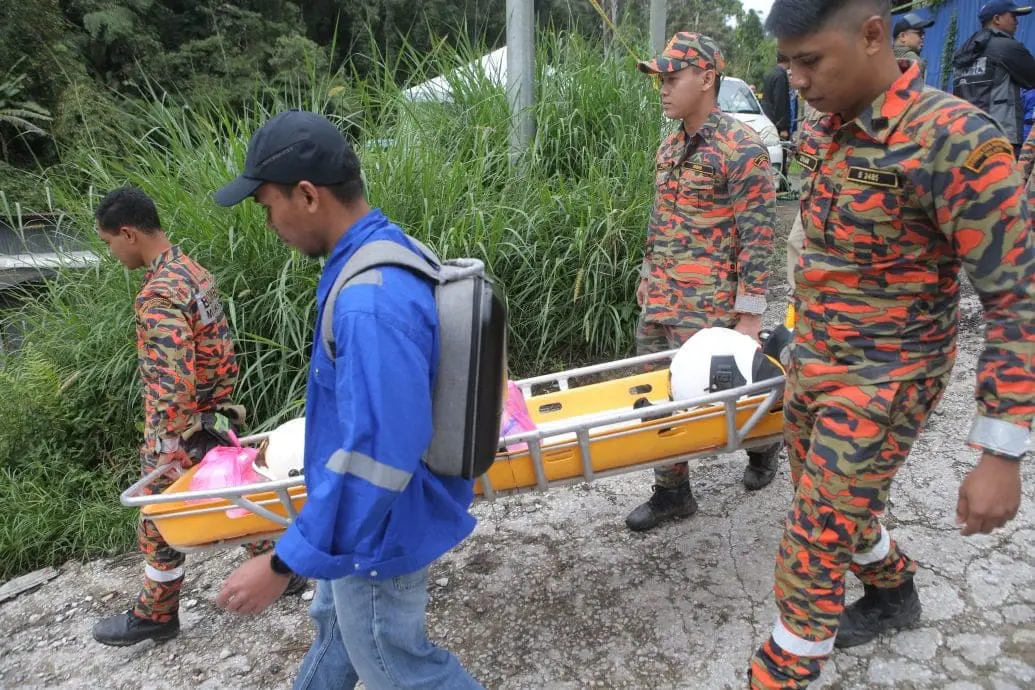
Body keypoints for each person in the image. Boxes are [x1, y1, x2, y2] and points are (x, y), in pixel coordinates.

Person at [750, 1, 1035, 688]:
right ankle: (892, 591)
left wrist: (1001, 451)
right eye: (786, 64)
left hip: (889, 376)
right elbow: (828, 256)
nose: (795, 80)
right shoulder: (828, 129)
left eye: (808, 60)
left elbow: (1014, 300)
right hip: (816, 359)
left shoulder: (953, 139)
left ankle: (782, 669)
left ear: (872, 34)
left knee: (812, 543)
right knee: (835, 509)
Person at [211, 111, 483, 690]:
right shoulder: (386, 249)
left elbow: (379, 456)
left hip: (375, 531)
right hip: (360, 522)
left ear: (307, 195)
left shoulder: (368, 300)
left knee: (399, 668)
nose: (269, 223)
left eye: (266, 206)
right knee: (337, 628)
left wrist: (284, 563)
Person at [90, 187, 305, 647]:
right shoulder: (195, 274)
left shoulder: (159, 294)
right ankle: (283, 567)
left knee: (155, 517)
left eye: (110, 243)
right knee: (239, 495)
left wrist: (170, 444)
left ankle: (156, 614)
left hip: (185, 429)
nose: (112, 253)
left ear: (128, 233)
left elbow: (172, 380)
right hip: (218, 417)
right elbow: (222, 350)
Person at [627, 32, 781, 534]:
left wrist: (750, 315)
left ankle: (764, 443)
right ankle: (673, 491)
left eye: (673, 79)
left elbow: (759, 237)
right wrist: (648, 274)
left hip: (710, 307)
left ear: (706, 78)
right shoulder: (670, 145)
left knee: (729, 396)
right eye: (662, 81)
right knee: (659, 392)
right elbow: (660, 217)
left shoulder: (741, 148)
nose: (664, 90)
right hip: (663, 298)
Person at [952, 0, 1035, 155]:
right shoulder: (1007, 47)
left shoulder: (963, 51)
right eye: (1013, 16)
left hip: (964, 137)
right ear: (996, 19)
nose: (1017, 21)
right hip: (999, 138)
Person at [892, 11, 935, 79]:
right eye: (919, 33)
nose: (923, 37)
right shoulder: (914, 61)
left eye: (923, 34)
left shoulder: (886, 58)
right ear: (903, 36)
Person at [763, 55, 793, 139]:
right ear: (789, 60)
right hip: (776, 123)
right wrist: (783, 127)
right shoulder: (780, 76)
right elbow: (780, 102)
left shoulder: (770, 73)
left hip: (767, 118)